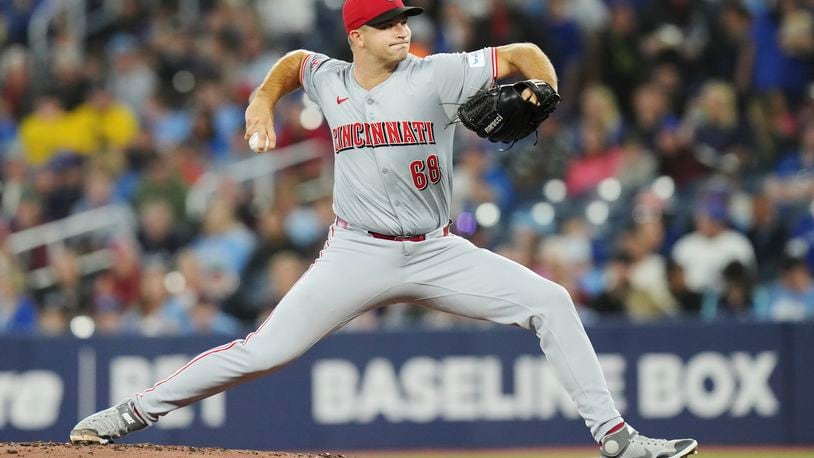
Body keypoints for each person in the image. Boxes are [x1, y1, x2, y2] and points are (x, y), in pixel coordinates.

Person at [70, 2, 697, 457]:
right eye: (389, 23)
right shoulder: (330, 77)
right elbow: (292, 64)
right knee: (264, 351)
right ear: (357, 37)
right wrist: (262, 100)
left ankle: (615, 437)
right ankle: (130, 413)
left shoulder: (439, 73)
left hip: (437, 250)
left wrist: (548, 88)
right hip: (357, 250)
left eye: (406, 20)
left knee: (551, 301)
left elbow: (524, 57)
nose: (404, 29)